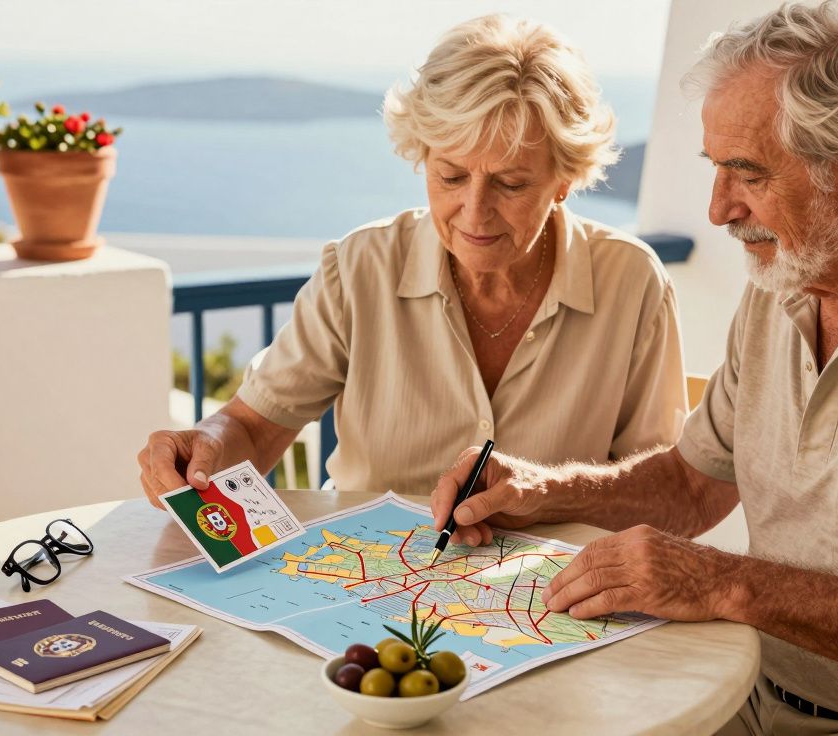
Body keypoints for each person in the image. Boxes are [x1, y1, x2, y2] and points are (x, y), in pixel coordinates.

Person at [431, 3, 838, 734]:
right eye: (715, 168)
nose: (717, 210)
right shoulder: (787, 277)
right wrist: (541, 491)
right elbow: (693, 482)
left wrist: (724, 583)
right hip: (755, 697)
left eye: (748, 173)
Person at [137, 15, 687, 501]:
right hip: (358, 584)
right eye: (449, 176)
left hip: (544, 601)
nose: (474, 213)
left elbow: (666, 488)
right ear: (421, 156)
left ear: (564, 180)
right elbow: (256, 429)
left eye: (512, 184)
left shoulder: (632, 281)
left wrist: (552, 494)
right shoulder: (359, 268)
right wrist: (205, 447)